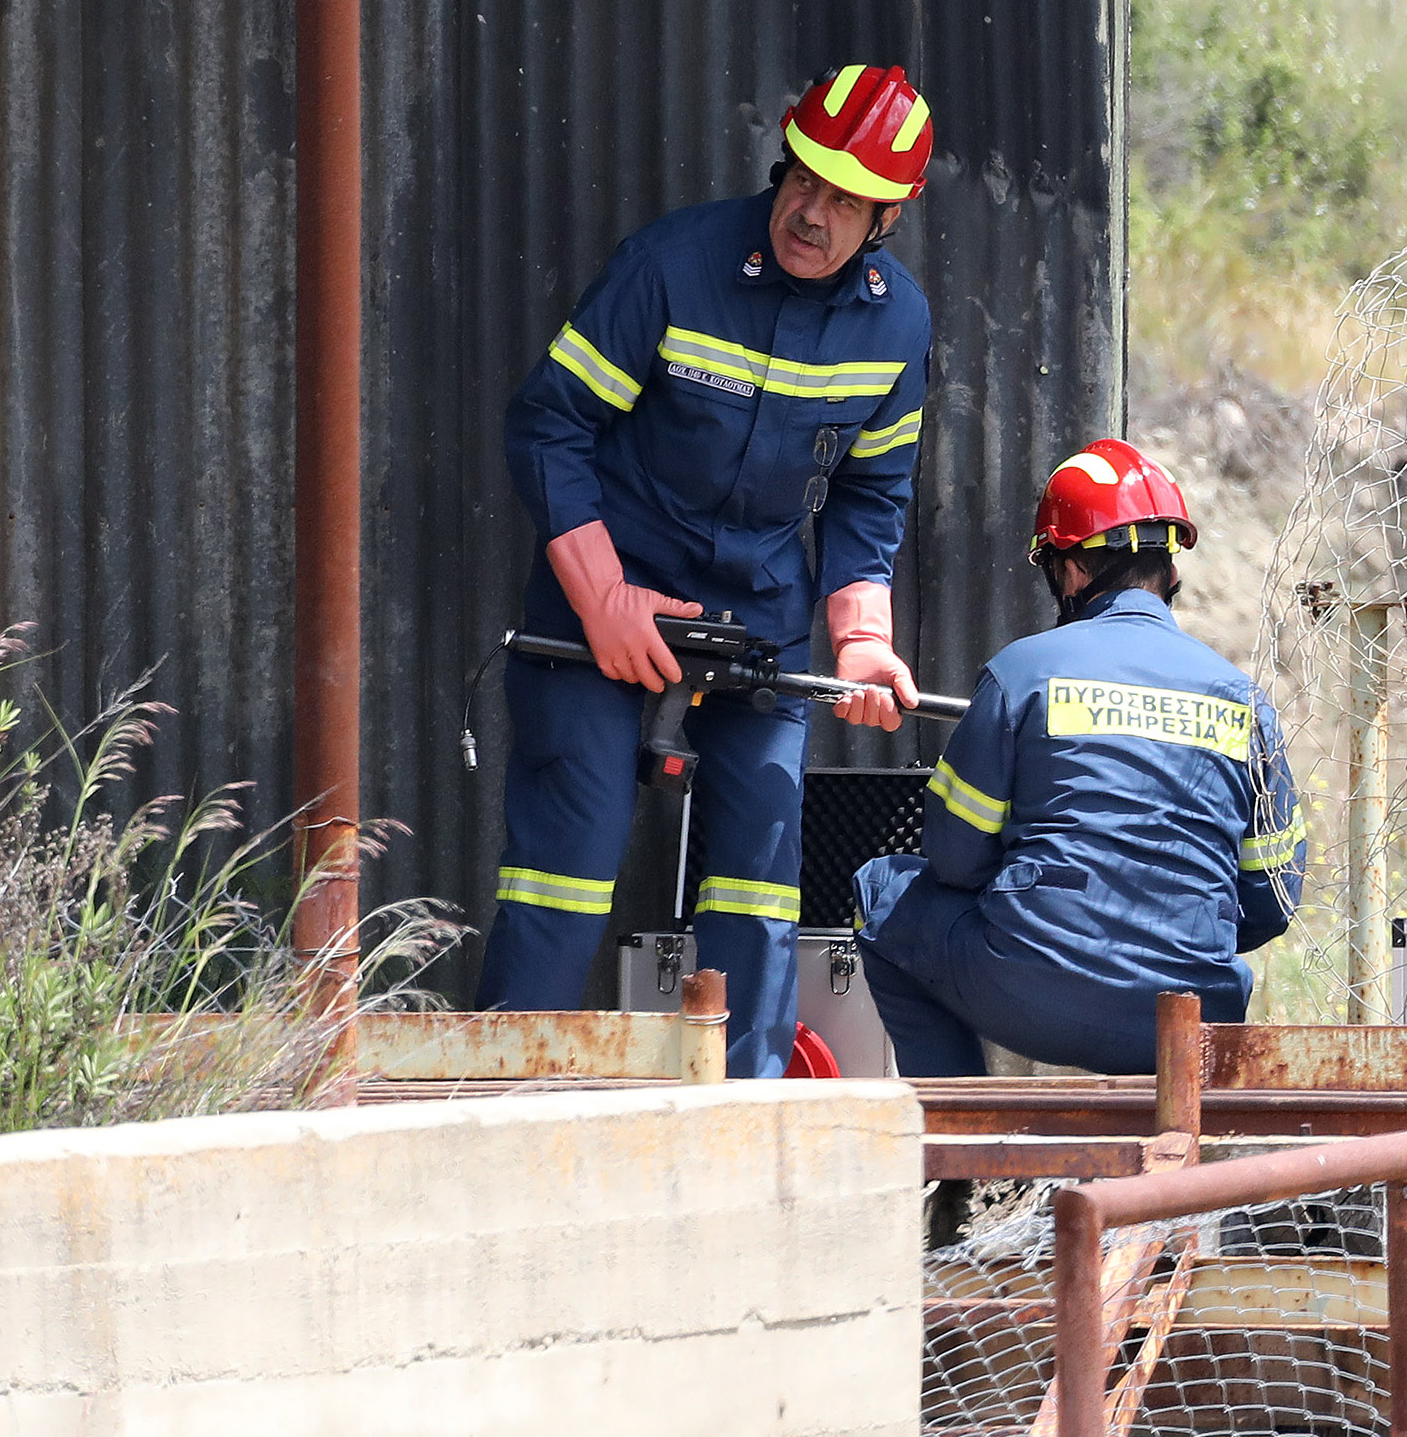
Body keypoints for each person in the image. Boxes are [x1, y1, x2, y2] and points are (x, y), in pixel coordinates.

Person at [480, 64, 939, 1076]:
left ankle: (739, 1116)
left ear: (889, 214)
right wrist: (601, 598)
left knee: (758, 874)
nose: (808, 214)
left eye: (842, 200)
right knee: (569, 861)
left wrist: (861, 640)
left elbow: (871, 495)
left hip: (758, 617)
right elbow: (547, 425)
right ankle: (497, 1104)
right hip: (605, 596)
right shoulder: (669, 266)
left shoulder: (895, 325)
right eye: (801, 181)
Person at [855, 439, 1306, 1080]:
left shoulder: (1023, 674)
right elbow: (1272, 902)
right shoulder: (1246, 703)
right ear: (1171, 572)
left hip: (1035, 998)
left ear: (1068, 573)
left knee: (881, 894)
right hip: (1192, 1026)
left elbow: (953, 859)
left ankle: (959, 1144)